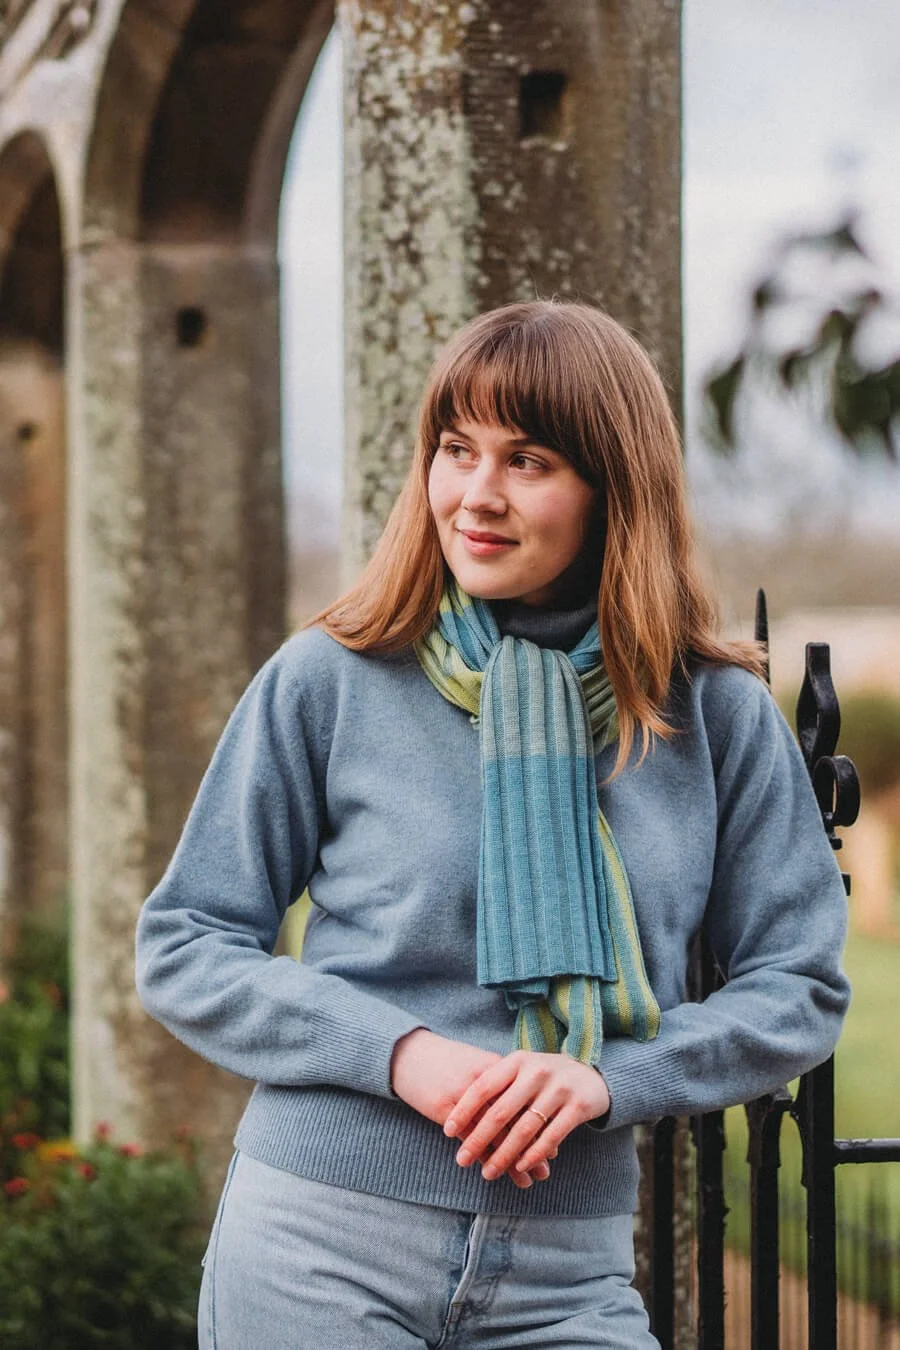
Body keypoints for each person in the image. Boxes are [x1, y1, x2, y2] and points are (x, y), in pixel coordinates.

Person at [135, 300, 850, 1349]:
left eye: (528, 461)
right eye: (455, 449)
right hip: (317, 1246)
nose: (475, 494)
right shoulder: (332, 678)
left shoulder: (711, 713)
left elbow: (802, 985)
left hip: (571, 1276)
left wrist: (608, 1080)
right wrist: (401, 1050)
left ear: (614, 489)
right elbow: (183, 943)